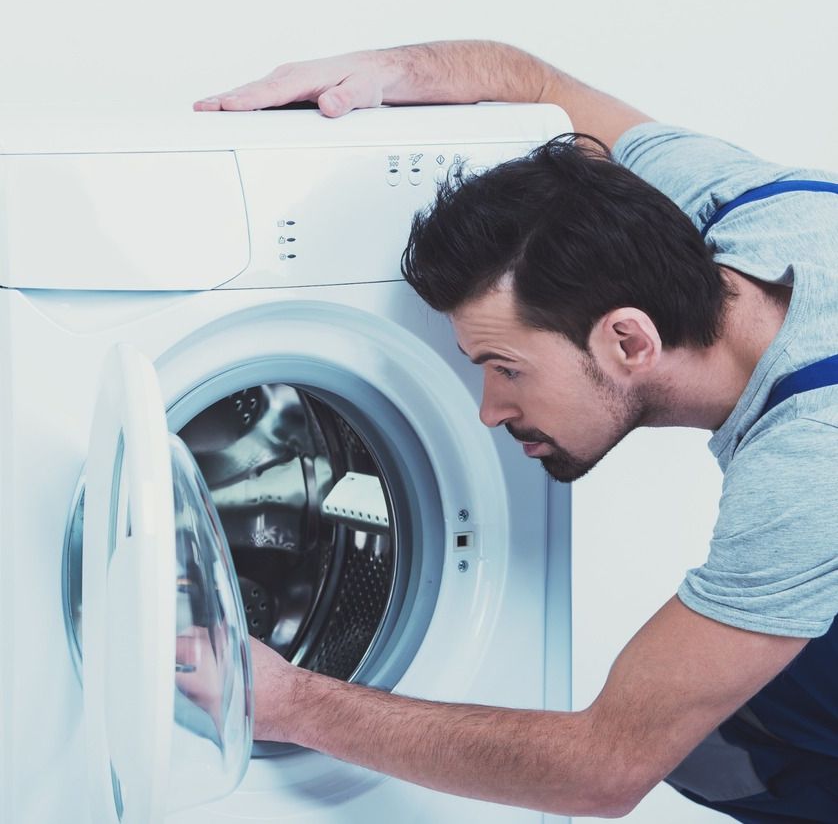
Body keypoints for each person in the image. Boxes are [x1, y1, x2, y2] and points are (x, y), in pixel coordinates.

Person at [194, 42, 838, 821]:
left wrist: (289, 701)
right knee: (734, 710)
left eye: (504, 366)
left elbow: (602, 769)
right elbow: (540, 84)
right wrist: (392, 73)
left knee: (704, 725)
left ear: (628, 341)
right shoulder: (756, 211)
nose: (488, 410)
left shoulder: (808, 470)